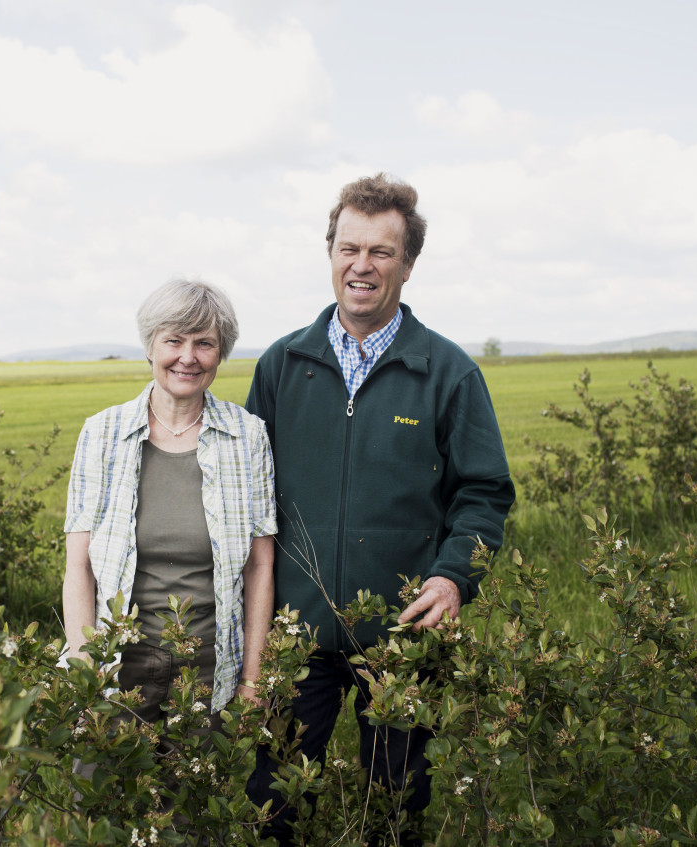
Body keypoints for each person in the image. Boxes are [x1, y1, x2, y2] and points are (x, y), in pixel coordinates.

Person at [245, 174, 515, 843]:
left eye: (381, 252)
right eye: (349, 247)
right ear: (331, 252)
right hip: (293, 634)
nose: (361, 265)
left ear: (408, 265)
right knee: (275, 805)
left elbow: (484, 494)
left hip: (401, 637)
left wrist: (453, 577)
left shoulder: (447, 371)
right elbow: (246, 499)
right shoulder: (282, 365)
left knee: (395, 812)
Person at [62, 278, 276, 724]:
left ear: (220, 353)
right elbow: (78, 567)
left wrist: (253, 680)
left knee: (197, 792)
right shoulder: (101, 434)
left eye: (205, 343)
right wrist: (85, 673)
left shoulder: (247, 437)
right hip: (118, 665)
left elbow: (260, 567)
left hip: (212, 668)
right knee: (105, 790)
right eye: (173, 340)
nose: (188, 356)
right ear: (150, 346)